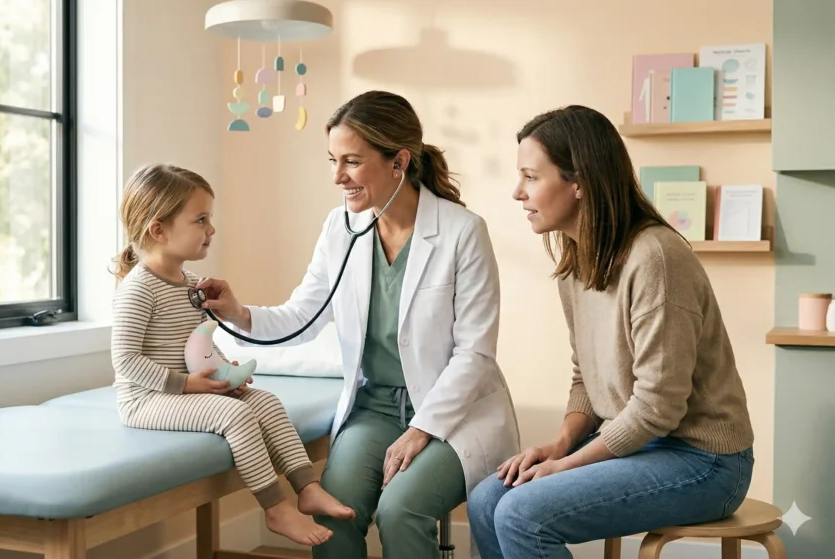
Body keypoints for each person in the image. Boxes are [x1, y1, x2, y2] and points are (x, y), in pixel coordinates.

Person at [196, 90, 521, 559]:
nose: (337, 176)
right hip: (374, 409)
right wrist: (237, 313)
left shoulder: (461, 231)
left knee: (400, 510)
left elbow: (475, 354)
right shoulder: (339, 228)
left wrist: (422, 429)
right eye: (333, 160)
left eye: (351, 161)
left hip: (454, 415)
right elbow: (301, 316)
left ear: (399, 162)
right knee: (333, 511)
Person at [466, 105, 756, 558]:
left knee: (520, 513)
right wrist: (558, 444)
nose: (516, 192)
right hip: (640, 444)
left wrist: (567, 464)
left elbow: (658, 407)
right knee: (487, 501)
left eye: (530, 176)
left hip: (704, 460)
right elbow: (587, 376)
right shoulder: (575, 264)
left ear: (578, 182)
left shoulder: (656, 259)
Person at [109, 163, 355, 548]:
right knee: (236, 414)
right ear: (159, 229)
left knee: (268, 402)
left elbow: (200, 341)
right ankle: (275, 508)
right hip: (146, 399)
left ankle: (307, 485)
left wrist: (225, 371)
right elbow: (125, 362)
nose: (211, 229)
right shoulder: (139, 289)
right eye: (201, 219)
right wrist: (186, 385)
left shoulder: (192, 284)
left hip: (188, 389)